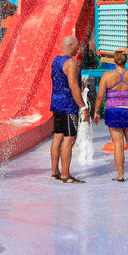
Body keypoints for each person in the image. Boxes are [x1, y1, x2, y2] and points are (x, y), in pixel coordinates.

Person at [94, 46, 128, 182]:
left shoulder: (107, 76)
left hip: (113, 111)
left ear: (114, 61)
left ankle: (121, 176)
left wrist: (96, 112)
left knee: (118, 145)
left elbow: (99, 97)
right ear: (126, 60)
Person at [49, 35, 85, 183]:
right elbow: (73, 86)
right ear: (70, 46)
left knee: (58, 136)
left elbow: (57, 79)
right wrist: (83, 106)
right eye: (76, 46)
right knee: (69, 139)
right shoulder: (70, 63)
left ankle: (54, 172)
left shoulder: (55, 61)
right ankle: (65, 174)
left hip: (56, 103)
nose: (78, 48)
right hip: (69, 106)